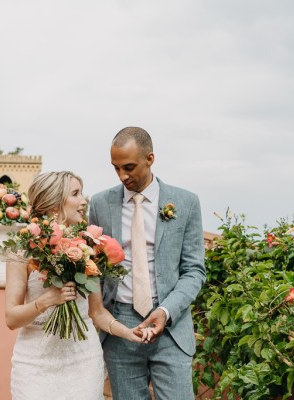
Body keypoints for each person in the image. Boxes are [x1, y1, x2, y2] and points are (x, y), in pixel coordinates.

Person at [5, 171, 146, 400]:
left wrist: (128, 333)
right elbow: (11, 318)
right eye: (76, 194)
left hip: (83, 360)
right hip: (34, 363)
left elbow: (97, 312)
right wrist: (47, 300)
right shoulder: (22, 252)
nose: (83, 201)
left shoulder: (88, 249)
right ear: (54, 203)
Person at [89, 127, 206, 400]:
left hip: (171, 328)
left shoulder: (186, 202)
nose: (122, 176)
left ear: (150, 158)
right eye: (116, 168)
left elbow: (194, 270)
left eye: (129, 167)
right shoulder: (99, 204)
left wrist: (166, 310)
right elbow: (92, 266)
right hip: (120, 326)